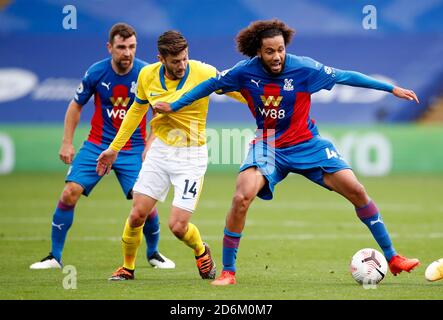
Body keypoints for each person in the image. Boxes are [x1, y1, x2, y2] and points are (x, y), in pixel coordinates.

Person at [153, 19, 421, 286]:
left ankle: (393, 257)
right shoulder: (244, 72)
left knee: (357, 191)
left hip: (307, 144)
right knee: (241, 197)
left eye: (280, 49)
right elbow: (209, 85)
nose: (277, 56)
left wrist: (391, 89)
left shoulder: (304, 68)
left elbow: (345, 76)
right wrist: (175, 105)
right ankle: (228, 272)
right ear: (259, 51)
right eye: (270, 51)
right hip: (268, 145)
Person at [95, 30, 245, 281]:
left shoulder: (203, 72)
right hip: (160, 152)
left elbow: (236, 91)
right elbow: (136, 111)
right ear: (161, 58)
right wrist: (114, 148)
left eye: (184, 58)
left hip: (191, 156)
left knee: (177, 226)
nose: (181, 65)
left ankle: (200, 249)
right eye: (175, 61)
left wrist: (263, 104)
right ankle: (127, 268)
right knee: (136, 215)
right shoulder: (147, 75)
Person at [30, 23, 174, 270]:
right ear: (110, 47)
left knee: (144, 204)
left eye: (131, 47)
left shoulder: (146, 73)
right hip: (97, 145)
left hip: (132, 148)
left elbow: (159, 114)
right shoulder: (96, 72)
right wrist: (67, 142)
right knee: (69, 192)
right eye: (121, 47)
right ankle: (55, 256)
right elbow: (76, 105)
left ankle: (153, 253)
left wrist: (150, 144)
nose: (127, 52)